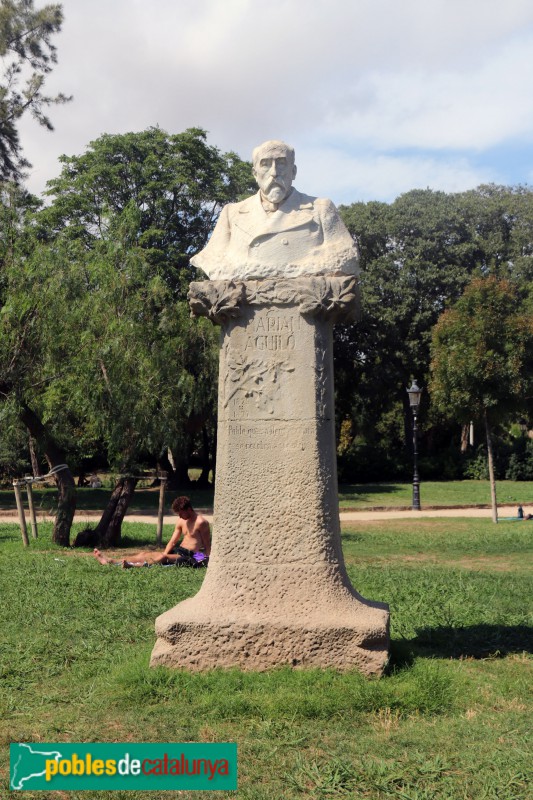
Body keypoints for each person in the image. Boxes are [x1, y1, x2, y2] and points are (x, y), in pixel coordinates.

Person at [190, 139, 359, 281]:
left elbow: (346, 257)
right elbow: (213, 259)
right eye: (265, 164)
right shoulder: (231, 213)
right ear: (255, 174)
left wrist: (303, 266)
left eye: (281, 163)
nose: (274, 172)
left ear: (293, 172)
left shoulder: (321, 209)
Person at [93, 496, 211, 568]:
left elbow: (207, 545)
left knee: (161, 557)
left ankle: (132, 566)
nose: (179, 516)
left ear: (189, 509)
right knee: (145, 554)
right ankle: (112, 561)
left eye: (181, 513)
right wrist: (164, 553)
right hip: (179, 551)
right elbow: (172, 541)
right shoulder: (181, 521)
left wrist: (205, 560)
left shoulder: (201, 522)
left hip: (191, 555)